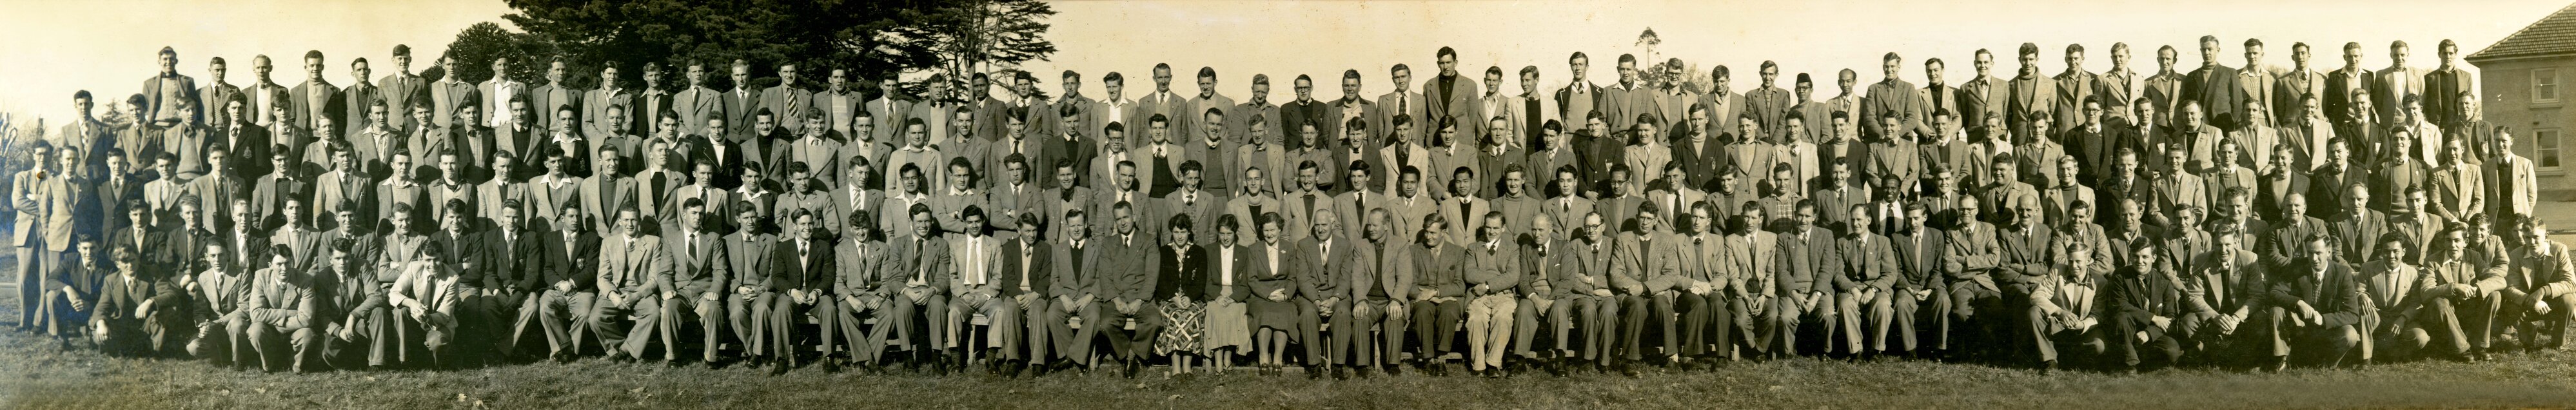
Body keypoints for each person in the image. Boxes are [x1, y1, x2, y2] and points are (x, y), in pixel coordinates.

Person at [1462, 211, 1520, 377]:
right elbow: (1470, 274)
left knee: (1503, 317)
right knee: (1476, 318)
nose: (1492, 232)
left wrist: (1488, 285)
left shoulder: (1513, 248)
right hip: (1478, 295)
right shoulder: (1473, 248)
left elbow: (1514, 276)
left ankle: (1493, 363)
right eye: (1488, 227)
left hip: (1504, 295)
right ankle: (1479, 366)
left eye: (1496, 228)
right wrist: (1500, 279)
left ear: (1503, 228)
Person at [1243, 213, 1299, 376]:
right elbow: (1252, 279)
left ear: (1280, 229)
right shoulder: (1254, 249)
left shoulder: (1289, 248)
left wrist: (1285, 295)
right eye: (1266, 231)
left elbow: (1293, 278)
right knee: (1264, 313)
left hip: (1282, 295)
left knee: (1284, 312)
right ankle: (1263, 357)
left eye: (1273, 230)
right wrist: (1267, 294)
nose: (1269, 234)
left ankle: (1277, 359)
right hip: (1260, 296)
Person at [1151, 214, 1206, 377]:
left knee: (1189, 315)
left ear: (1189, 232)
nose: (1180, 236)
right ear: (1172, 233)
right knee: (1175, 316)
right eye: (1176, 232)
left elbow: (1201, 282)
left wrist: (1189, 297)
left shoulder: (1199, 252)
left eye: (1183, 232)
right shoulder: (1164, 252)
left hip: (1193, 299)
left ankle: (1187, 365)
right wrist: (1174, 297)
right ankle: (1176, 365)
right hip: (1169, 299)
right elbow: (1160, 281)